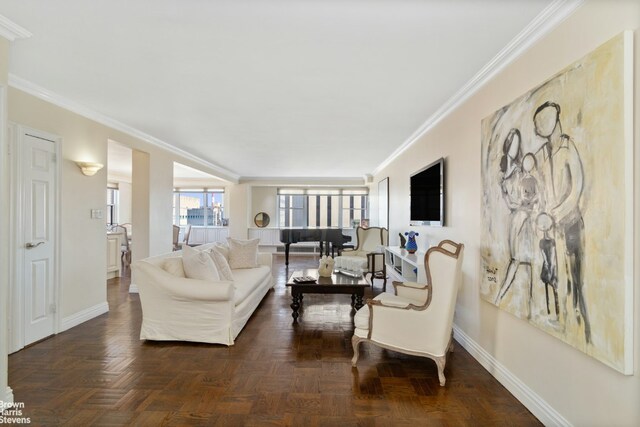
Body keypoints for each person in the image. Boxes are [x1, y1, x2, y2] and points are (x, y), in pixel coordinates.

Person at [533, 101, 590, 343]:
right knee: (554, 276)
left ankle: (580, 328)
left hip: (570, 224)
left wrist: (553, 215)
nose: (542, 126)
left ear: (556, 117)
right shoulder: (542, 156)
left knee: (574, 280)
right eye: (538, 124)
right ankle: (562, 323)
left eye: (545, 120)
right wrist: (542, 215)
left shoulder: (568, 148)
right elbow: (541, 192)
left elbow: (576, 189)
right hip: (551, 228)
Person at [494, 129, 537, 313]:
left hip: (525, 218)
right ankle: (501, 295)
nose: (516, 147)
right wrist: (519, 203)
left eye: (518, 144)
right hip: (516, 219)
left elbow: (527, 194)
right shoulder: (504, 172)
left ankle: (530, 301)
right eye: (513, 143)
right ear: (508, 144)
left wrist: (526, 203)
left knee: (526, 260)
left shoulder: (521, 170)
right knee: (515, 259)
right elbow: (510, 201)